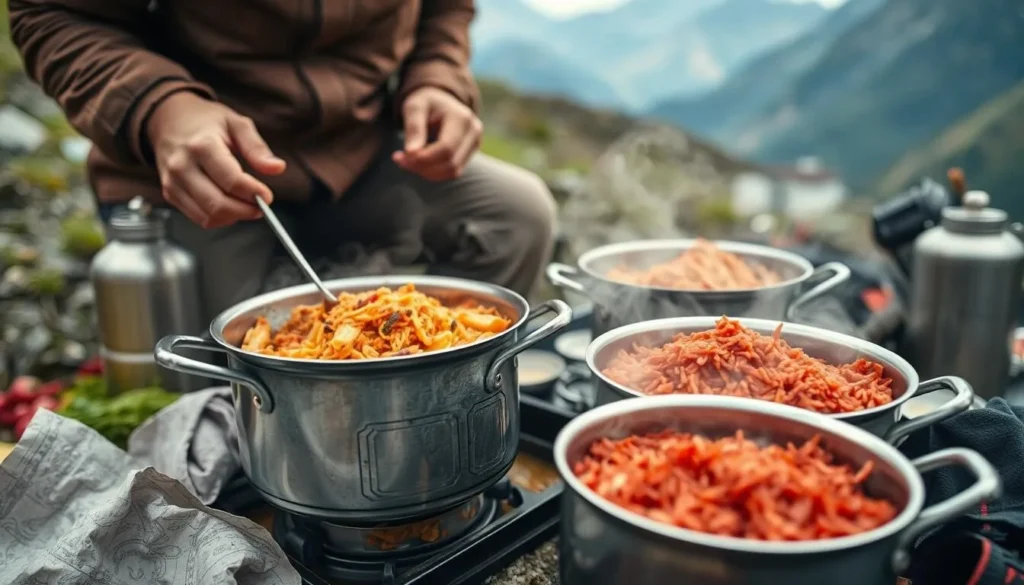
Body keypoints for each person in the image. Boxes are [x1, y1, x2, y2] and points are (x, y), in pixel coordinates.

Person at [9, 0, 557, 321]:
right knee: (241, 373)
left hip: (361, 150)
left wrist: (437, 79)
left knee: (515, 215)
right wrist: (159, 107)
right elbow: (55, 13)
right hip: (198, 173)